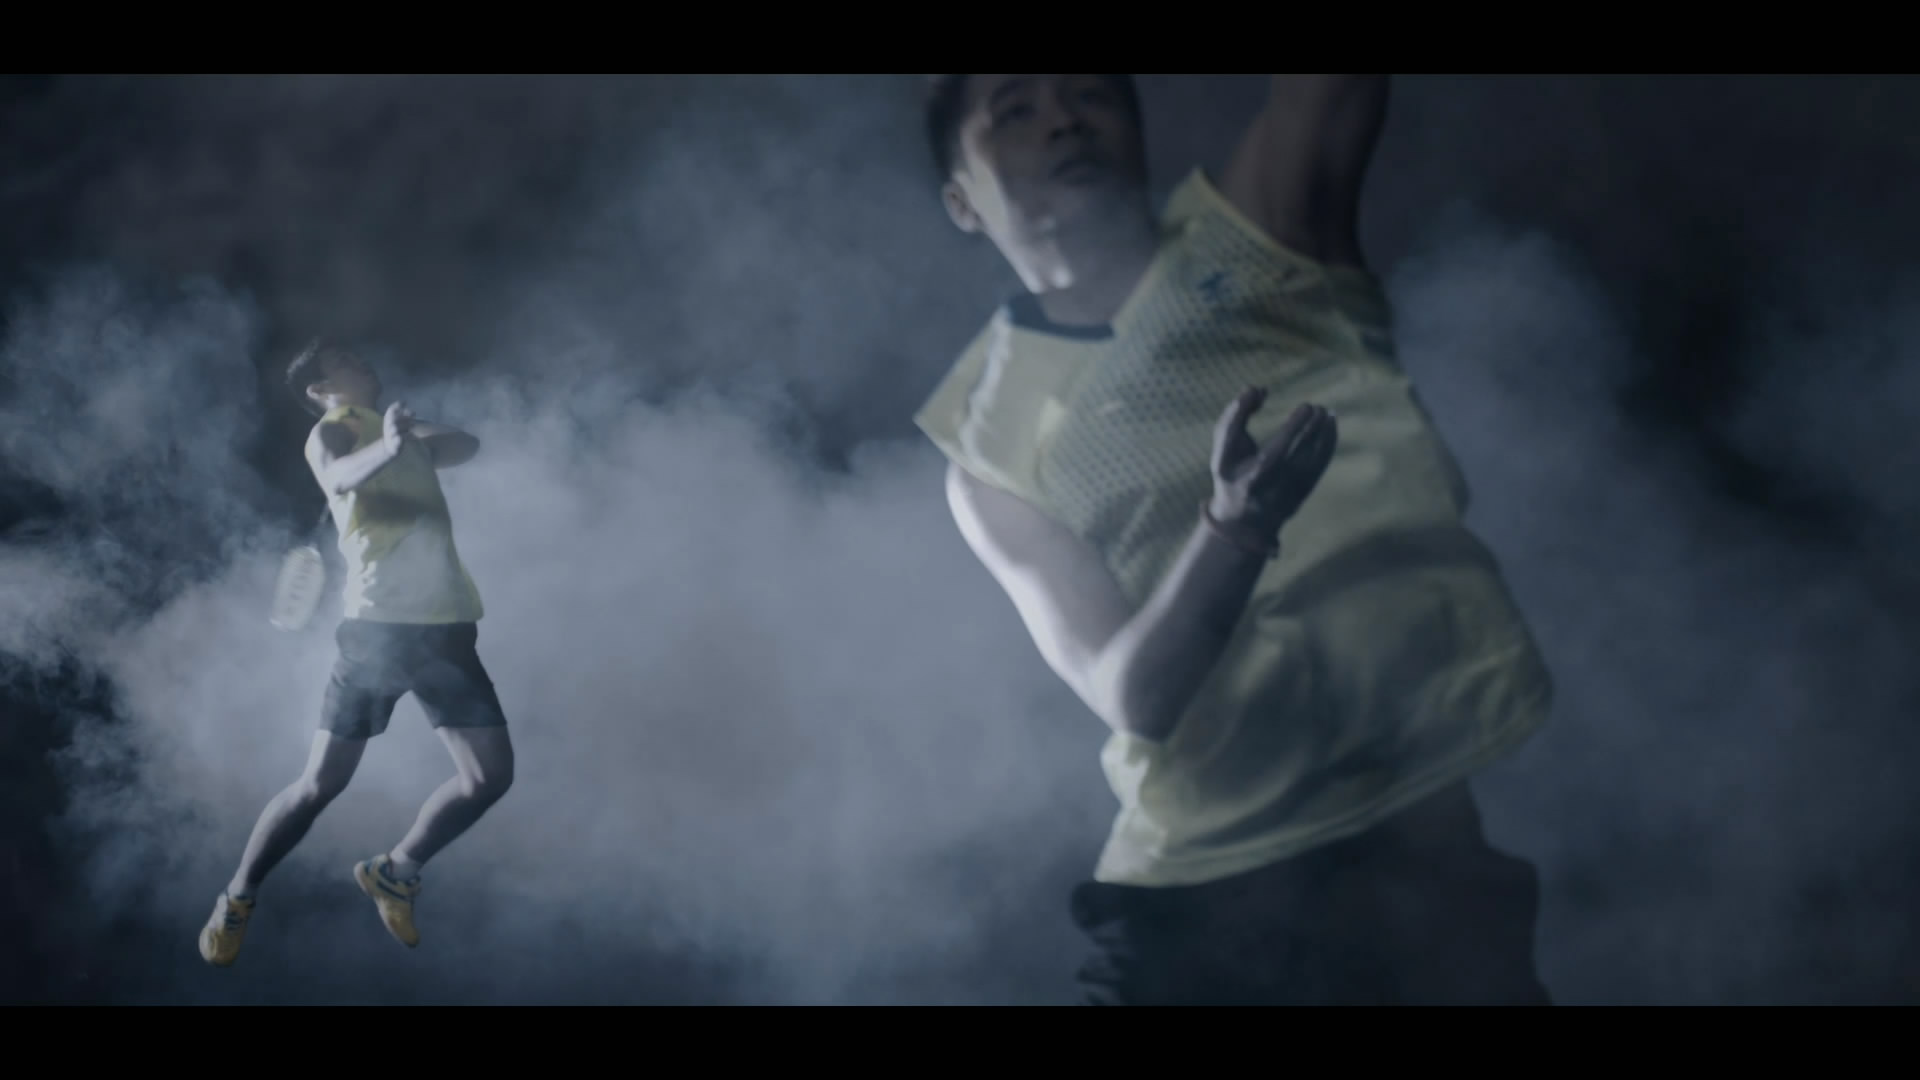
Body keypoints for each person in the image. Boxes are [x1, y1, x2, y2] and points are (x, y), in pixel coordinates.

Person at [912, 74, 1556, 1004]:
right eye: (1015, 110)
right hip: (1204, 891)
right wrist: (1236, 528)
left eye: (1090, 92)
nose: (1063, 119)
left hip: (1418, 846)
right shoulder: (984, 445)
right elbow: (1134, 695)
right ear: (962, 200)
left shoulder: (1262, 232)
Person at [198, 340, 514, 967]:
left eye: (357, 355)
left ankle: (395, 871)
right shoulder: (331, 433)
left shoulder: (395, 431)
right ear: (319, 390)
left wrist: (408, 435)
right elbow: (337, 476)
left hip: (446, 628)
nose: (361, 361)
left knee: (488, 779)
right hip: (380, 632)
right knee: (320, 785)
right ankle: (238, 895)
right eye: (342, 361)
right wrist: (390, 445)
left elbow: (467, 446)